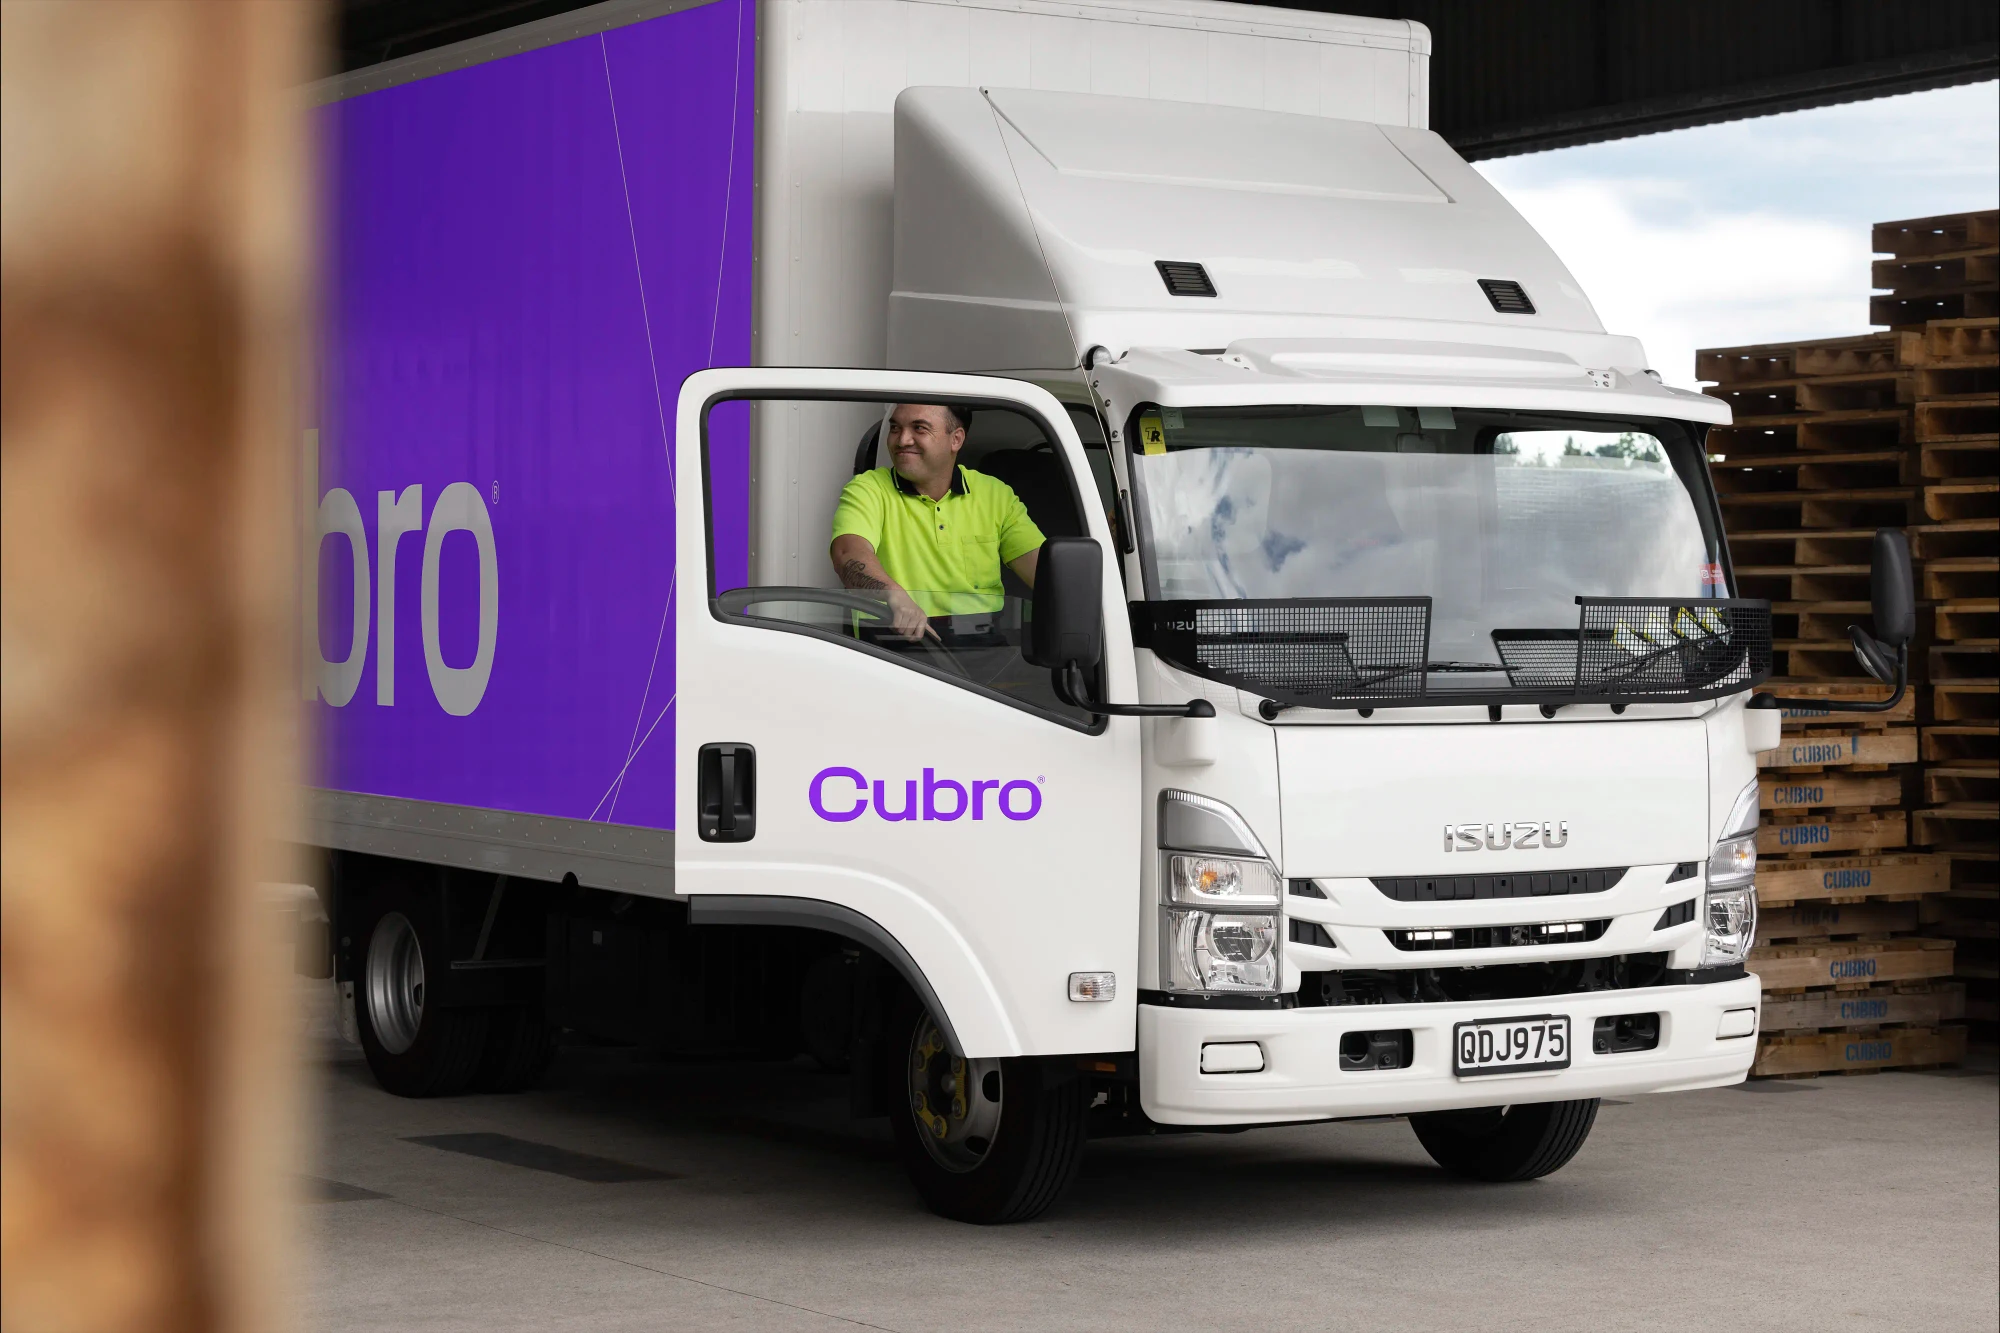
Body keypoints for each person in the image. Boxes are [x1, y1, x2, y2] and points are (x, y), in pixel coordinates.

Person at [829, 403, 1043, 641]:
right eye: (895, 428)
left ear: (956, 439)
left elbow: (1046, 574)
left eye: (919, 428)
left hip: (985, 656)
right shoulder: (868, 489)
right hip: (893, 651)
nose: (903, 440)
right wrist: (893, 595)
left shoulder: (995, 494)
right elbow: (848, 553)